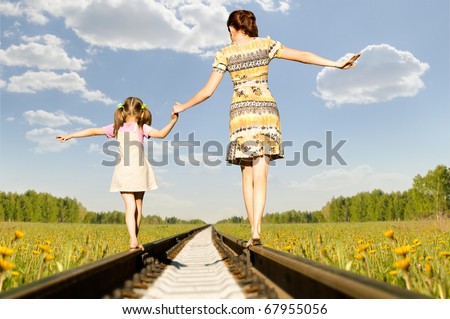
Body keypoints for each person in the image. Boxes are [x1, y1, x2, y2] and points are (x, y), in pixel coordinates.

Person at [172, 10, 360, 247]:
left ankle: (253, 229)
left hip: (241, 116)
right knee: (262, 174)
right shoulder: (266, 45)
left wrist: (183, 106)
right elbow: (302, 55)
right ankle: (257, 230)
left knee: (247, 175)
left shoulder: (225, 54)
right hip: (266, 112)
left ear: (232, 28)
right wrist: (335, 63)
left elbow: (208, 91)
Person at [57, 97, 178, 250]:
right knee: (138, 206)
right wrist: (174, 120)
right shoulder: (142, 127)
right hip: (139, 169)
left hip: (123, 170)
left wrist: (71, 135)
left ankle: (133, 239)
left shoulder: (116, 127)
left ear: (123, 112)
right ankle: (135, 238)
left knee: (129, 206)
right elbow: (161, 134)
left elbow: (93, 131)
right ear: (141, 114)